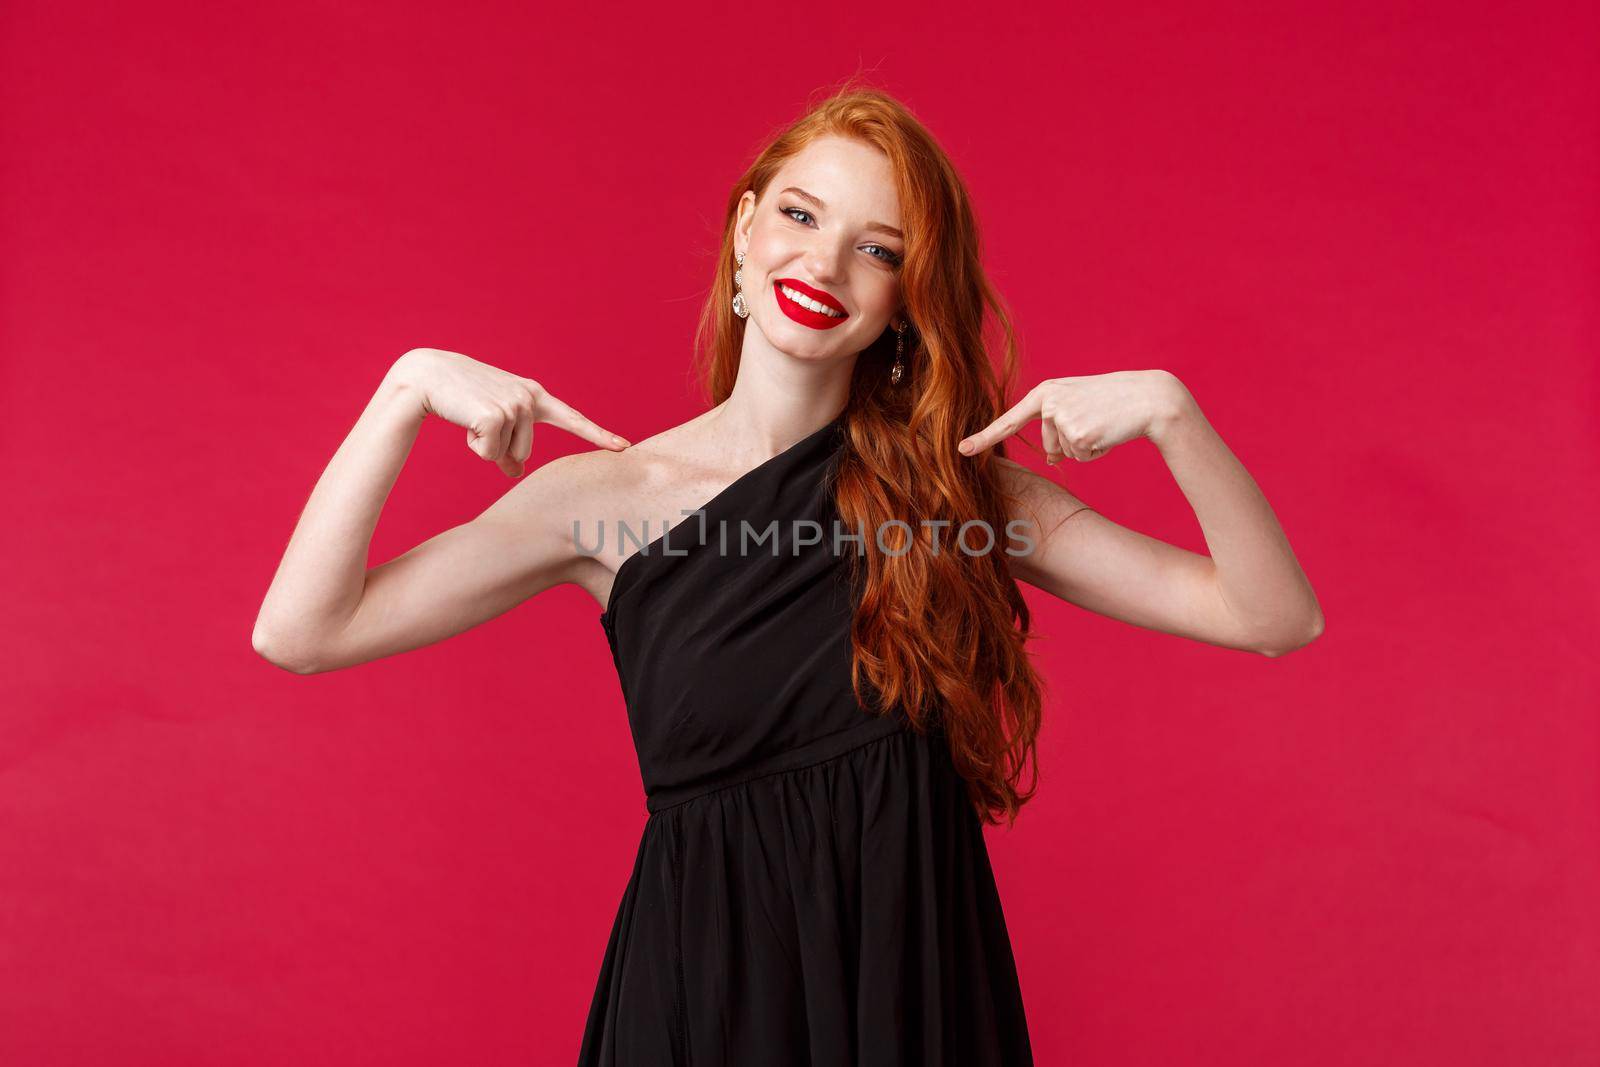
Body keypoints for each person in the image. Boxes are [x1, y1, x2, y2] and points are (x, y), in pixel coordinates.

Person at [252, 83, 1324, 1065]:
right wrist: (402, 392)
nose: (822, 265)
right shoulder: (604, 500)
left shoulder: (958, 499)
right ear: (744, 228)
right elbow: (303, 629)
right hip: (697, 1003)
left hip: (912, 1002)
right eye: (802, 217)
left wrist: (1176, 417)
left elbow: (1269, 614)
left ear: (906, 300)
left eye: (877, 249)